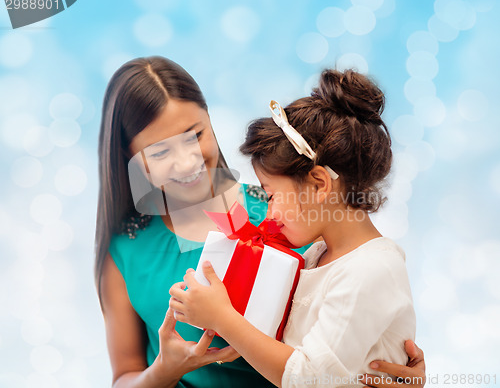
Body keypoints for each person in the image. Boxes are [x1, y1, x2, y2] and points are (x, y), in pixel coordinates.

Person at [94, 56, 426, 388]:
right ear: (129, 155)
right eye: (160, 152)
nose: (186, 162)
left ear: (210, 118)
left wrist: (396, 363)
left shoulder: (292, 216)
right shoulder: (127, 248)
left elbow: (347, 336)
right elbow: (125, 375)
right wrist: (165, 369)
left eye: (195, 135)